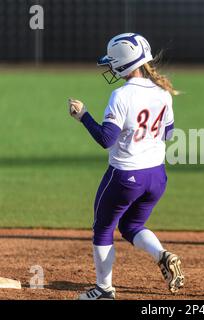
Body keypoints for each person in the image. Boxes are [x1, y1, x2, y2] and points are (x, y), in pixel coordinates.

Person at [68, 33, 184, 300]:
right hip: (157, 176)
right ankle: (162, 255)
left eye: (113, 62)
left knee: (103, 229)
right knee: (131, 226)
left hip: (125, 176)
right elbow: (168, 133)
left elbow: (106, 139)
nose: (110, 67)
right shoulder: (163, 92)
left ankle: (103, 289)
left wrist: (83, 116)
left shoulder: (121, 95)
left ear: (124, 62)